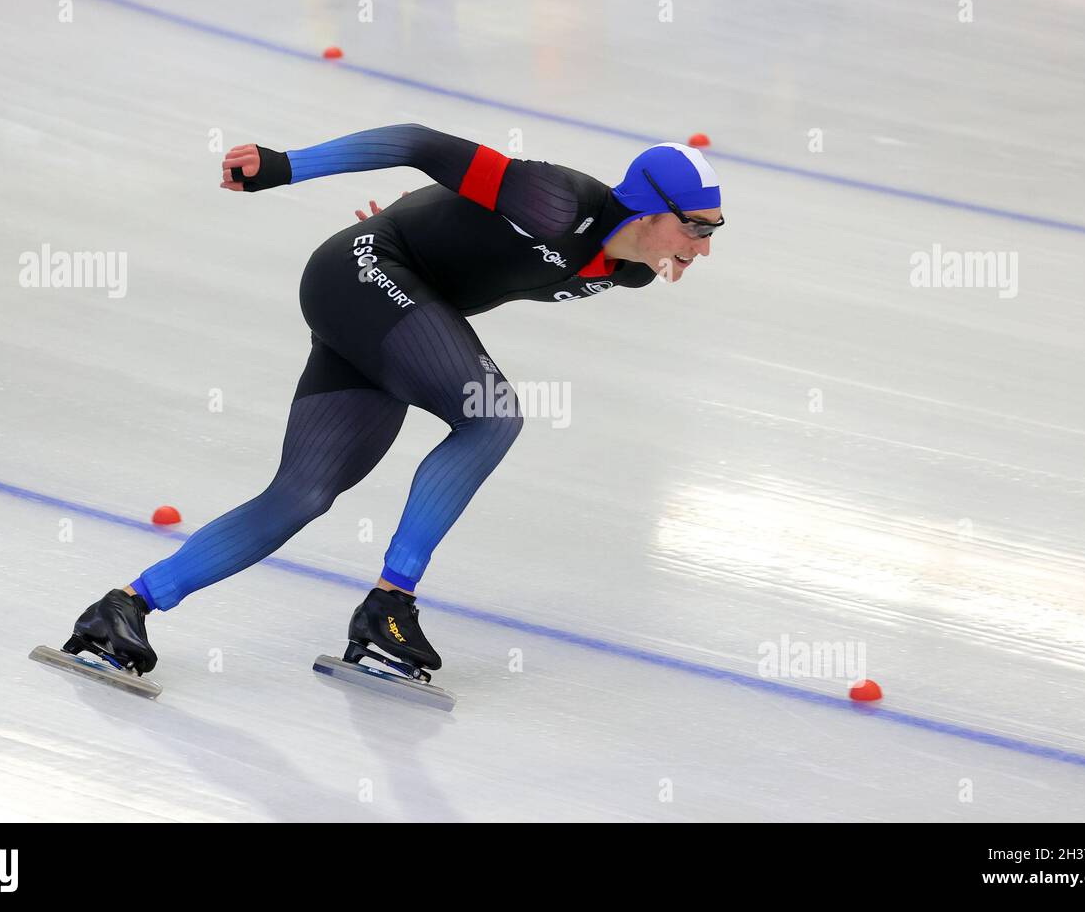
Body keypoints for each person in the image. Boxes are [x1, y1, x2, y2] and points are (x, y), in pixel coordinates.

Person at [65, 123, 723, 680]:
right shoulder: (553, 199)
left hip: (388, 308)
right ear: (649, 207)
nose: (704, 246)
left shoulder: (632, 270)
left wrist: (415, 215)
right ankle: (390, 604)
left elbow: (475, 232)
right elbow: (416, 142)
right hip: (365, 273)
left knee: (303, 493)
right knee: (491, 415)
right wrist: (287, 167)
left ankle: (123, 608)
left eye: (714, 230)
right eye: (696, 227)